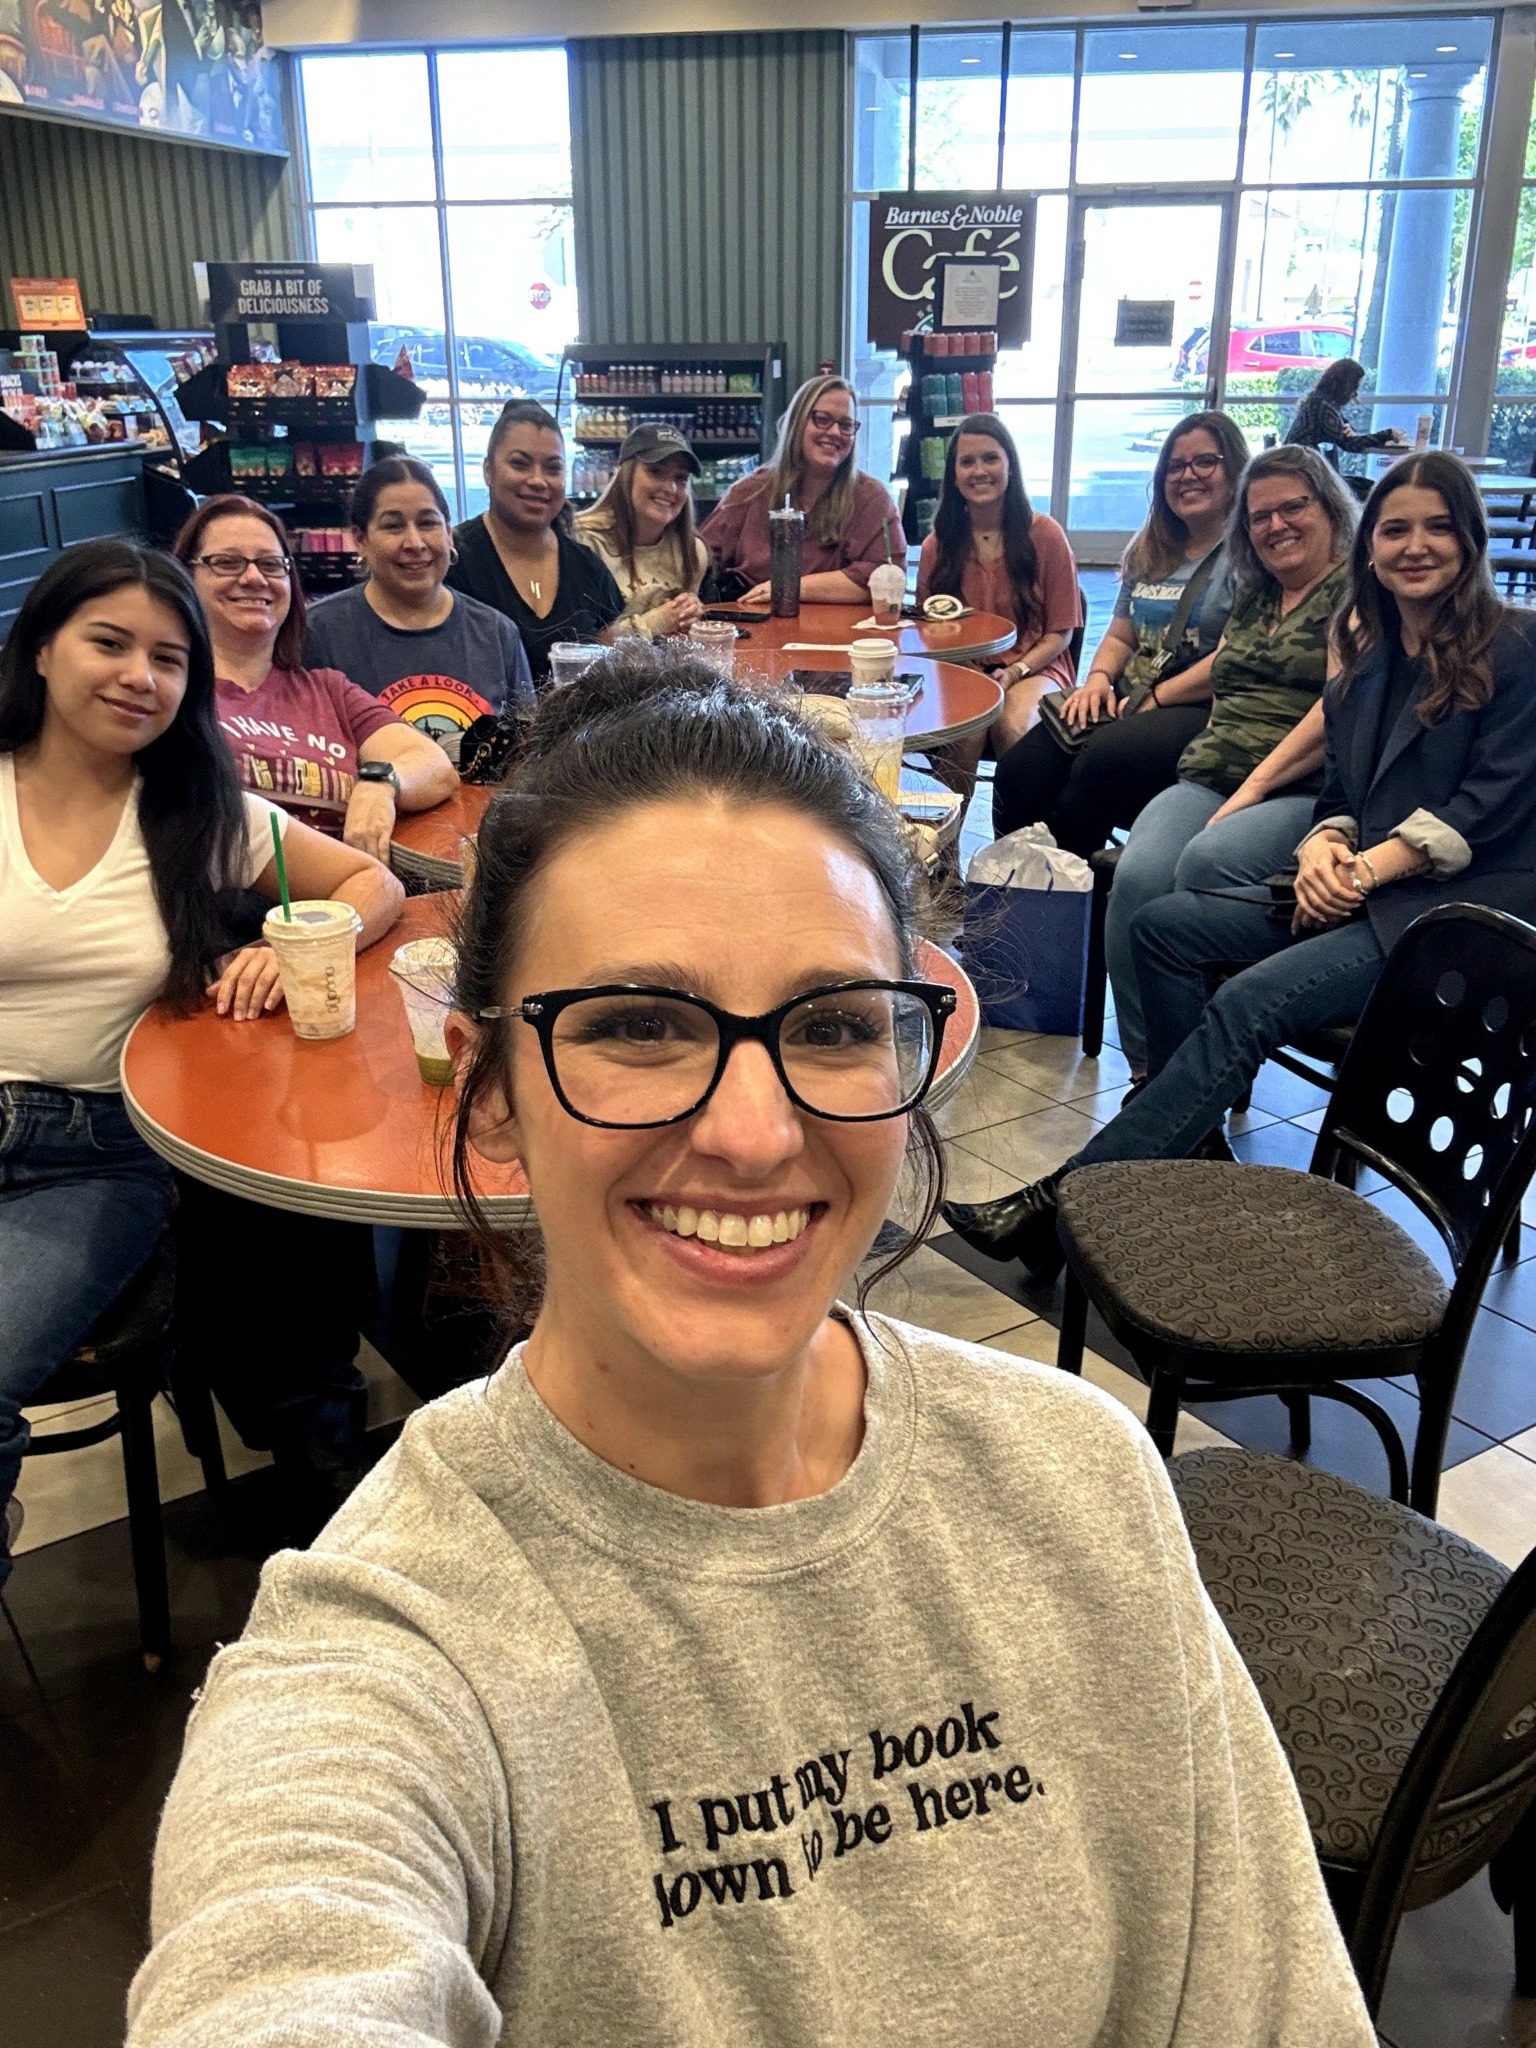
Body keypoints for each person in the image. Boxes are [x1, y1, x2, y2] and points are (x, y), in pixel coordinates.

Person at [129, 649, 1376, 2048]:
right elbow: (290, 1954)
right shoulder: (396, 1651)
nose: (751, 1131)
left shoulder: (1079, 1475)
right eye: (637, 1025)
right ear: (489, 1100)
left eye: (832, 1025)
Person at [944, 453, 1536, 1279]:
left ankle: (1063, 1206)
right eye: (1396, 529)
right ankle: (1188, 1148)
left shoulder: (1516, 647)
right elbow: (1343, 790)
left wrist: (1358, 870)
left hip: (1454, 921)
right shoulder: (1371, 661)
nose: (1415, 546)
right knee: (1163, 928)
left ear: (1470, 540)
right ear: (1370, 546)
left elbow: (1484, 808)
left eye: (1437, 527)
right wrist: (1325, 843)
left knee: (1250, 1001)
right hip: (1363, 891)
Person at [0, 541, 404, 1582]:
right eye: (109, 643)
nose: (140, 676)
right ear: (41, 647)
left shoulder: (196, 812)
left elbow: (372, 883)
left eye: (169, 659)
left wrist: (285, 940)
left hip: (93, 1156)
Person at [1103, 446, 1356, 1080]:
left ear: (1329, 508)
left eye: (1293, 507)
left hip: (1303, 791)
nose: (1276, 525)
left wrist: (1254, 786)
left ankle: (1207, 1073)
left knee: (1205, 862)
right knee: (1138, 876)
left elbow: (1338, 711)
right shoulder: (1256, 592)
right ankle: (1153, 1074)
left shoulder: (1356, 593)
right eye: (1260, 516)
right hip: (1214, 776)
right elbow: (1227, 682)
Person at [990, 412, 1247, 852]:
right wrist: (1097, 681)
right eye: (1175, 466)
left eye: (1205, 462)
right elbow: (1121, 636)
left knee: (1099, 764)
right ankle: (1017, 882)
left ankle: (1077, 887)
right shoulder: (1152, 549)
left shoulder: (1248, 556)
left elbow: (1232, 658)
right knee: (1019, 771)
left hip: (1199, 704)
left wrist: (1157, 698)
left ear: (1235, 470)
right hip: (1132, 693)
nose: (1188, 476)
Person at [174, 496, 458, 863]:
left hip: (354, 890)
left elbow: (434, 765)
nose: (254, 578)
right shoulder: (172, 690)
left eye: (271, 564)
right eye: (227, 563)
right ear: (186, 578)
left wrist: (381, 783)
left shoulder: (329, 690)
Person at [304, 456, 534, 768]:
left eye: (427, 523)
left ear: (448, 532)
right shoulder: (318, 633)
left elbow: (527, 759)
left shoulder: (497, 632)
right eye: (393, 526)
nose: (414, 543)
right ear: (360, 540)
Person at [915, 413, 1082, 755]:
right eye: (967, 462)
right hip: (960, 669)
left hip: (1035, 666)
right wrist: (971, 674)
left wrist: (1016, 671)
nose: (979, 471)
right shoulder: (936, 546)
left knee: (1013, 727)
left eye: (990, 458)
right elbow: (928, 634)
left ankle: (1023, 795)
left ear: (1010, 466)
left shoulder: (1047, 536)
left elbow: (1061, 632)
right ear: (954, 475)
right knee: (966, 731)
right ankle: (951, 796)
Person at [446, 399, 624, 682]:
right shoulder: (453, 561)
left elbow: (614, 670)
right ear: (488, 470)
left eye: (553, 468)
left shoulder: (587, 567)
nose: (538, 481)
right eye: (520, 464)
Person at [701, 373, 904, 607]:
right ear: (797, 423)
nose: (835, 432)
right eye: (822, 419)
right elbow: (700, 556)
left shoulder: (872, 499)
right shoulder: (750, 492)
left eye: (846, 425)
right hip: (754, 623)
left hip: (839, 629)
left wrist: (787, 588)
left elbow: (887, 577)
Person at [573, 423, 709, 640]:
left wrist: (689, 612)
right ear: (625, 474)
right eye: (656, 471)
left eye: (680, 478)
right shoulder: (584, 542)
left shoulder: (692, 550)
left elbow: (682, 639)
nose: (670, 488)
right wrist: (657, 622)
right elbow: (579, 642)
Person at [1285, 357, 1408, 470]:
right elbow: (1351, 444)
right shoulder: (1324, 408)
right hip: (1304, 470)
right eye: (1354, 389)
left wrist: (1351, 431)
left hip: (1297, 466)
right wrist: (1387, 434)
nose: (1355, 395)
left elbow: (1344, 431)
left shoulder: (1317, 402)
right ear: (1345, 388)